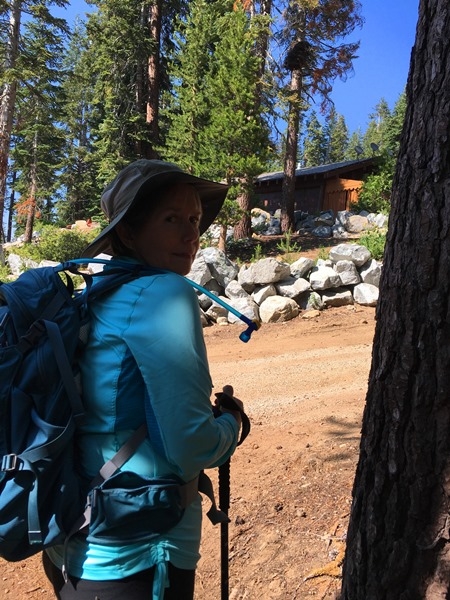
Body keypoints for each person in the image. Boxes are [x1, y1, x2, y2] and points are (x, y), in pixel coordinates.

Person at [42, 159, 243, 600]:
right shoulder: (164, 292)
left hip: (74, 545)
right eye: (172, 219)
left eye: (194, 219)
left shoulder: (98, 294)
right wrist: (232, 426)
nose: (191, 235)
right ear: (129, 232)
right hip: (140, 551)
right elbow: (190, 446)